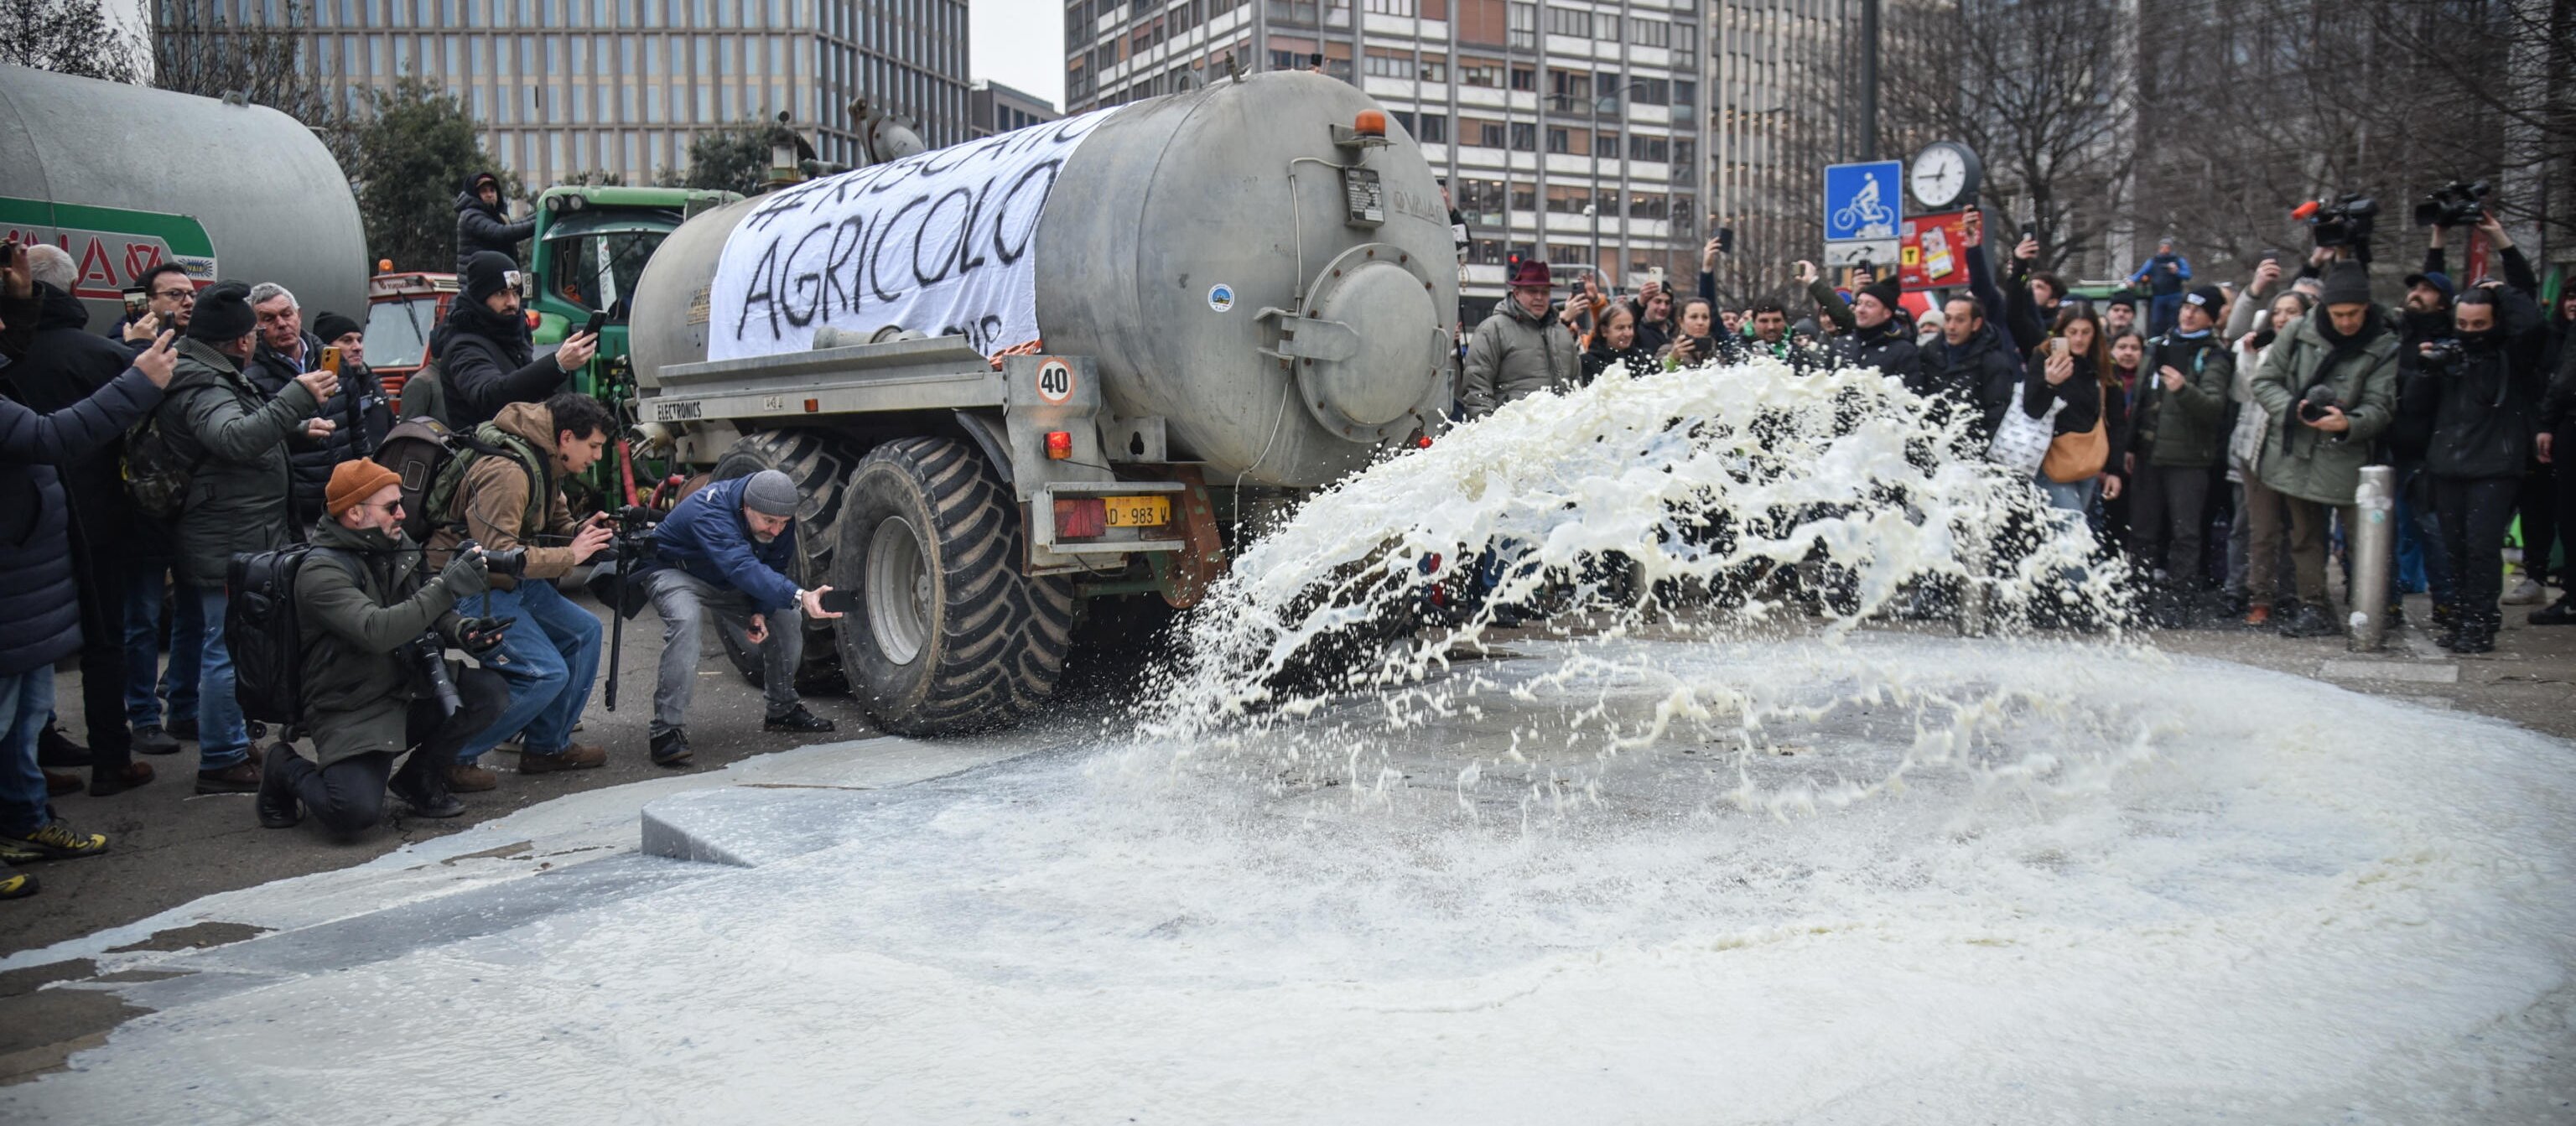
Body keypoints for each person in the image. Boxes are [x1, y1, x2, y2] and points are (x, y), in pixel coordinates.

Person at [0, 241, 175, 881]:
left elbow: (24, 338)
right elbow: (51, 436)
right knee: (6, 720)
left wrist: (22, 290)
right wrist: (136, 377)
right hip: (20, 578)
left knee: (23, 718)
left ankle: (24, 818)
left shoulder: (14, 357)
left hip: (32, 580)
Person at [257, 460, 512, 834]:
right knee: (351, 813)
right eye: (391, 507)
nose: (402, 514)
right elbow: (377, 631)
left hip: (404, 687)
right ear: (355, 512)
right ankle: (282, 765)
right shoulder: (320, 572)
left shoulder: (396, 545)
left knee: (489, 692)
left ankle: (419, 779)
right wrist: (446, 588)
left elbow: (427, 614)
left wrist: (465, 631)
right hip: (352, 705)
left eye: (400, 503)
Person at [160, 281, 340, 792]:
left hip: (222, 528)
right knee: (228, 649)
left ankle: (204, 726)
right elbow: (233, 438)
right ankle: (221, 758)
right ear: (243, 341)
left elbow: (230, 432)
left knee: (202, 637)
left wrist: (294, 429)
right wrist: (298, 397)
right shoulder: (205, 384)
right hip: (226, 536)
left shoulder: (205, 372)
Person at [425, 393, 614, 785]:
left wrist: (582, 533)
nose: (596, 457)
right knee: (544, 673)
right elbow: (495, 554)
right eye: (593, 447)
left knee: (585, 633)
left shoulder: (545, 457)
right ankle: (450, 757)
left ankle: (547, 748)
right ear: (566, 437)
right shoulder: (508, 472)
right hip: (470, 585)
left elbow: (554, 520)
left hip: (512, 582)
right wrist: (570, 556)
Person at [641, 470, 843, 765]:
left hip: (724, 578)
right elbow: (742, 566)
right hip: (675, 572)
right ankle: (665, 731)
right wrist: (801, 596)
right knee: (687, 622)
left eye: (783, 523)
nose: (776, 530)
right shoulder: (709, 510)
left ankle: (782, 709)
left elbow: (772, 566)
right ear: (746, 506)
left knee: (785, 618)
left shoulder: (777, 516)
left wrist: (759, 611)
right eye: (768, 522)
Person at [2249, 263, 2401, 639]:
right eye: (2338, 314)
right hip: (2297, 449)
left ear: (2366, 308)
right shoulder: (2300, 331)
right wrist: (2292, 407)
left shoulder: (2383, 344)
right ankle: (2313, 606)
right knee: (2304, 536)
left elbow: (2382, 405)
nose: (2346, 322)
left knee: (2363, 538)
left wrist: (2348, 423)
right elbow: (2265, 380)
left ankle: (2372, 604)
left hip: (2348, 454)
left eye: (2353, 313)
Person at [2407, 283, 2547, 652]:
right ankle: (2464, 616)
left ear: (2495, 322)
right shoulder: (2447, 356)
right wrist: (2425, 369)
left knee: (2482, 548)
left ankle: (2481, 623)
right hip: (2447, 464)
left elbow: (2531, 326)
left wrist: (2503, 290)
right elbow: (2413, 407)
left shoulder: (2511, 356)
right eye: (2463, 324)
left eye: (2479, 324)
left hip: (2495, 465)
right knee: (2455, 547)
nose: (2470, 333)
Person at [2123, 285, 2233, 605]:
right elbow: (2140, 400)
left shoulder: (2214, 356)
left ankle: (2178, 596)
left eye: (2198, 311)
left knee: (2185, 532)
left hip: (2188, 459)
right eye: (2186, 307)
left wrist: (2184, 389)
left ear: (2211, 318)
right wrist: (2129, 447)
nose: (2189, 314)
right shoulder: (2157, 346)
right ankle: (2138, 593)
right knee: (2142, 529)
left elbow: (2214, 408)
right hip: (2147, 453)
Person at [248, 286, 392, 527]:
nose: (282, 324)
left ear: (299, 315)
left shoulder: (332, 360)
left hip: (346, 501)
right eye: (268, 319)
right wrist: (300, 431)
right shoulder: (251, 375)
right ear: (255, 328)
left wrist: (369, 486)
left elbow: (357, 432)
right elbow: (254, 438)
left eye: (286, 314)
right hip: (294, 509)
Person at [428, 252, 598, 432]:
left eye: (516, 293)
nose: (512, 303)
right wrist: (557, 364)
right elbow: (489, 396)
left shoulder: (511, 336)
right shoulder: (464, 345)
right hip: (487, 455)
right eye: (502, 293)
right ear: (480, 297)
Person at [2226, 291, 2310, 625]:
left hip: (2296, 449)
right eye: (2278, 311)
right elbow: (2243, 392)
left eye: (2291, 311)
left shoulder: (2311, 351)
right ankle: (2260, 598)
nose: (2282, 317)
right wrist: (2248, 356)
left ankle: (2301, 597)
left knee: (2301, 529)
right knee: (2260, 530)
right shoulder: (2262, 349)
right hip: (2256, 448)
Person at [2020, 306, 2114, 515]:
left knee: (2076, 530)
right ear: (2061, 333)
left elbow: (2114, 417)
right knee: (2071, 528)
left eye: (2086, 332)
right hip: (2052, 457)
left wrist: (2113, 470)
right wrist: (2050, 384)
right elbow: (2032, 409)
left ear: (2095, 334)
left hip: (2088, 457)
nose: (2079, 339)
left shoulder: (2100, 362)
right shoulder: (2044, 356)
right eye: (2072, 333)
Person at [1460, 259, 1580, 418]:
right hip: (1512, 430)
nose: (1539, 297)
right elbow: (1477, 387)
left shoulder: (1562, 333)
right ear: (1517, 293)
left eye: (1544, 292)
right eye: (1532, 291)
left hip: (1559, 431)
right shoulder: (1492, 329)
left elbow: (1576, 385)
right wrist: (1486, 429)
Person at [1914, 294, 2023, 444]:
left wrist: (1981, 447)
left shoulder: (1993, 361)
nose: (1951, 326)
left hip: (1970, 448)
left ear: (1976, 324)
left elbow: (1997, 411)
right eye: (1947, 319)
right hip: (1930, 443)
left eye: (1960, 320)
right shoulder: (1928, 353)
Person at [1799, 261, 1919, 384]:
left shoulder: (1903, 351)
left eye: (1869, 305)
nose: (1860, 310)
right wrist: (1812, 281)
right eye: (1859, 303)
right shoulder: (1842, 345)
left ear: (1887, 313)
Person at [454, 172, 534, 272]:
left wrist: (543, 216)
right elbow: (502, 233)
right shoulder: (471, 215)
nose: (490, 195)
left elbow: (515, 225)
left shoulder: (494, 215)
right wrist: (539, 225)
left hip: (499, 280)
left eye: (492, 190)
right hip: (481, 284)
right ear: (474, 194)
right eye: (484, 191)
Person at [2129, 237, 2194, 336]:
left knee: (2174, 322)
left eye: (2167, 247)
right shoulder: (2153, 261)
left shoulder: (2178, 260)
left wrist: (2176, 271)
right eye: (2162, 247)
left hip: (2174, 295)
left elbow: (2187, 275)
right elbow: (2141, 273)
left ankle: (2174, 339)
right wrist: (2132, 280)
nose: (2164, 249)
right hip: (2159, 296)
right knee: (2157, 322)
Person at [1581, 300, 1657, 383]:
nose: (1628, 334)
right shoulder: (1588, 362)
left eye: (1630, 327)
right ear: (1604, 331)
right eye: (1620, 328)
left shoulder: (1645, 358)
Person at [1659, 298, 1723, 370]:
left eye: (1705, 317)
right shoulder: (1667, 350)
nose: (1700, 322)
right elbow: (1658, 375)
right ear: (1681, 322)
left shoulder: (1715, 353)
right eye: (1694, 317)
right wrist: (1673, 359)